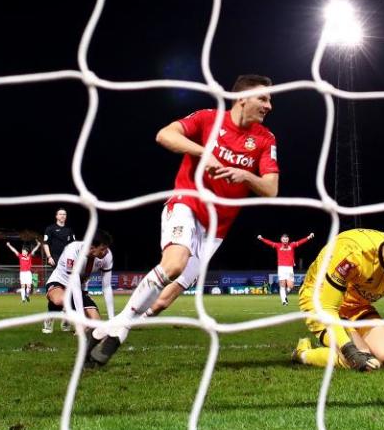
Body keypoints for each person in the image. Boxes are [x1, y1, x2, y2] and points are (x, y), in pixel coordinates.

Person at [89, 74, 278, 365]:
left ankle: (104, 330)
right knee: (174, 264)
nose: (269, 106)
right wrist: (204, 153)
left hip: (216, 229)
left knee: (163, 301)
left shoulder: (265, 140)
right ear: (242, 98)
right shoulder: (207, 119)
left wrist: (246, 175)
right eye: (263, 98)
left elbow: (271, 189)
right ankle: (121, 329)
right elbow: (165, 134)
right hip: (186, 203)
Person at [291, 229, 384, 371]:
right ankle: (302, 353)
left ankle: (347, 340)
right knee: (357, 358)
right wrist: (347, 348)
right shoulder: (352, 253)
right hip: (319, 299)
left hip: (356, 304)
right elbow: (328, 307)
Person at [42, 230, 114, 333]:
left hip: (81, 288)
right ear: (92, 248)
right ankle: (51, 315)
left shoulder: (107, 256)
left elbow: (106, 287)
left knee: (96, 322)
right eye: (102, 249)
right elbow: (74, 288)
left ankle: (67, 314)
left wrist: (112, 320)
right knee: (60, 300)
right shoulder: (72, 251)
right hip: (60, 282)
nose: (106, 252)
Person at [257, 232, 314, 306]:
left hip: (290, 268)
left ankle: (285, 296)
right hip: (281, 268)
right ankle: (284, 301)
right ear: (281, 239)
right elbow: (269, 243)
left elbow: (300, 242)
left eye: (286, 238)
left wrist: (309, 237)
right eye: (284, 238)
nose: (285, 240)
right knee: (282, 285)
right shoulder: (278, 245)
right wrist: (262, 239)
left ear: (288, 239)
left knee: (290, 286)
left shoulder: (292, 245)